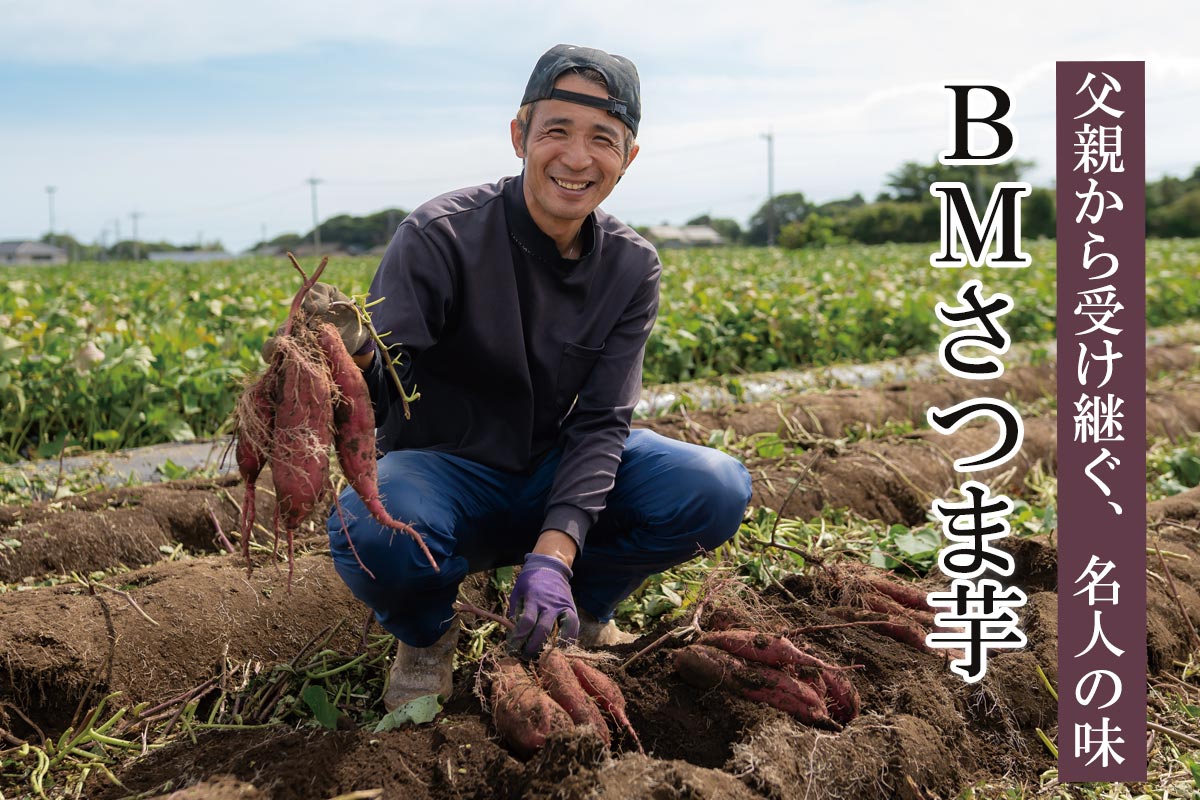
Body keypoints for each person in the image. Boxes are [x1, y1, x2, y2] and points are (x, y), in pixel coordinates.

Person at [317, 44, 752, 711]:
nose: (577, 159)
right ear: (519, 136)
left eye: (602, 139)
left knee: (712, 487)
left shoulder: (632, 267)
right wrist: (352, 359)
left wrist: (554, 552)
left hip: (550, 468)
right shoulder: (440, 235)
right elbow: (381, 389)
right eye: (556, 132)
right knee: (370, 526)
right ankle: (427, 635)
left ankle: (582, 605)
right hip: (442, 479)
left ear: (627, 158)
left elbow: (604, 420)